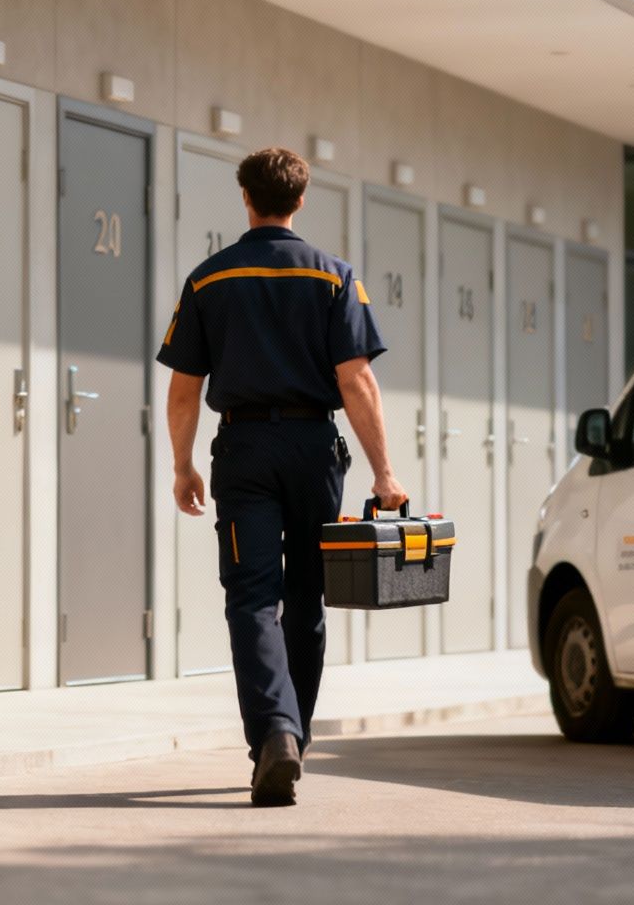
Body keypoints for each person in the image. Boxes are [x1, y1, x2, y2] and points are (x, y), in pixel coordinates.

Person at [158, 147, 407, 807]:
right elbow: (356, 380)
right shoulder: (334, 278)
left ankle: (274, 732)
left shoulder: (209, 280)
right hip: (313, 450)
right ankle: (291, 732)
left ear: (247, 198)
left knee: (250, 596)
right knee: (306, 597)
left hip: (243, 451)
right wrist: (384, 474)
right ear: (300, 201)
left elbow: (184, 392)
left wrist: (182, 465)